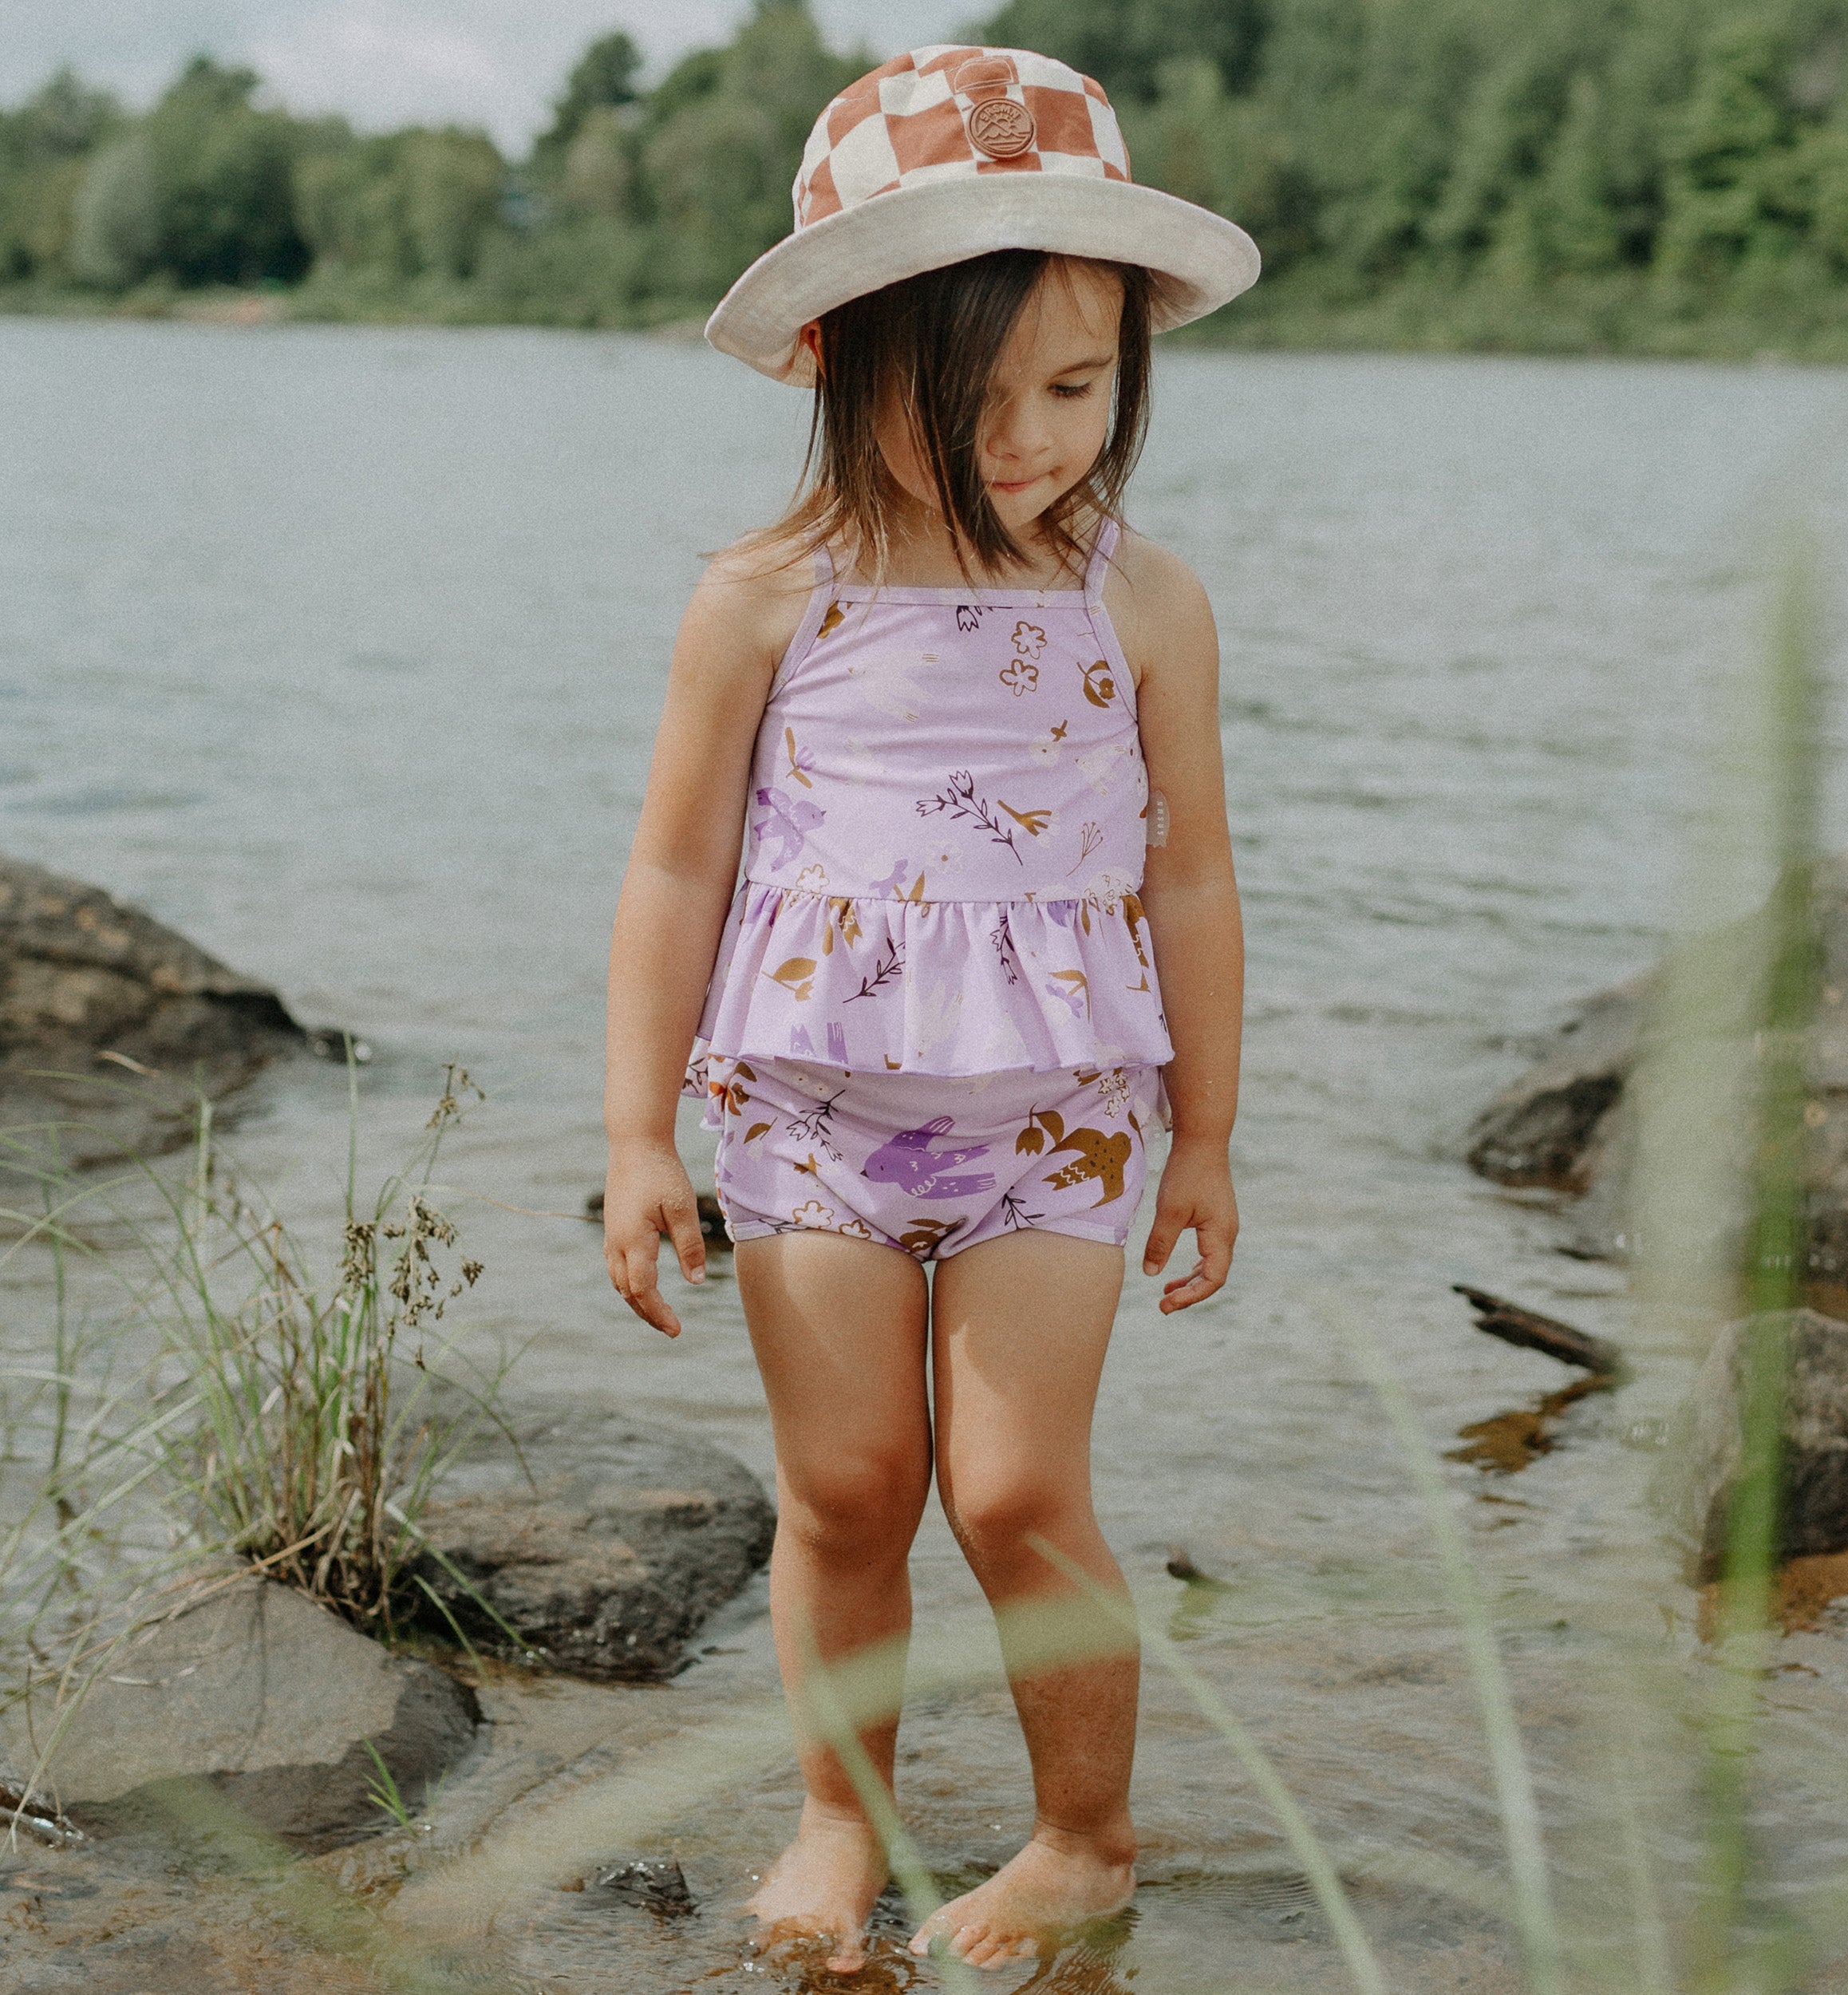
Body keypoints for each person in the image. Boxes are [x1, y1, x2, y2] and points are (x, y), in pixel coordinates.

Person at [602, 42, 1257, 1975]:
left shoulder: (1142, 604)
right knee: (845, 1480)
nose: (1030, 441)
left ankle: (1083, 1837)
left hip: (1054, 1114)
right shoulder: (762, 596)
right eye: (971, 403)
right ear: (838, 361)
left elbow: (1192, 874)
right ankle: (841, 1814)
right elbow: (670, 872)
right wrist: (641, 1132)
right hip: (804, 1112)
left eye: (1073, 388)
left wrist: (1204, 1129)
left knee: (1014, 1481)